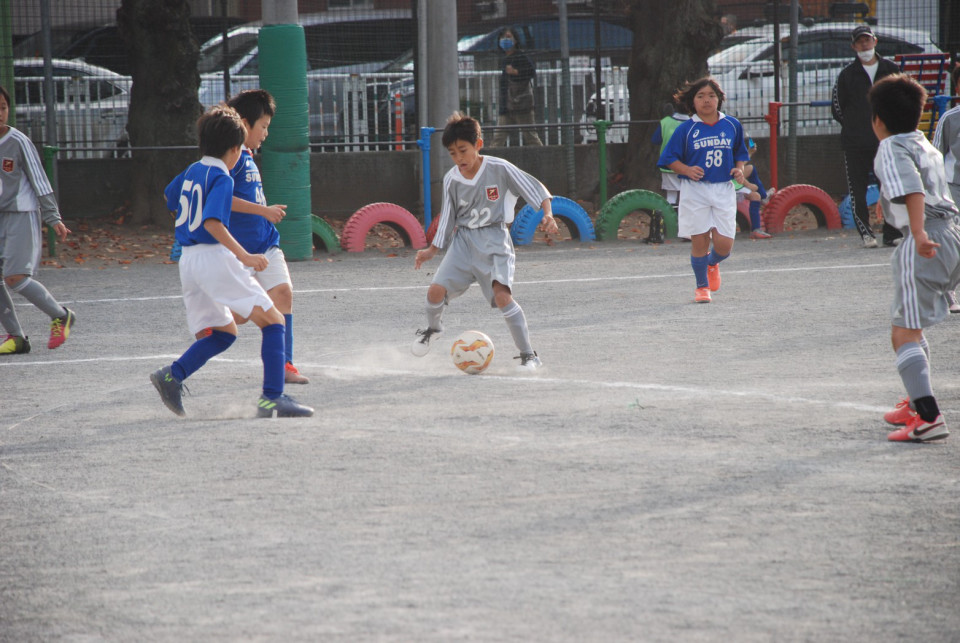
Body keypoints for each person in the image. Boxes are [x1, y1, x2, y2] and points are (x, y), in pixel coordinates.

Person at [152, 105, 313, 418]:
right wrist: (245, 256)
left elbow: (170, 197)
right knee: (274, 321)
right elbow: (213, 223)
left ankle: (173, 375)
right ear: (235, 149)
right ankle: (272, 398)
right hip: (213, 257)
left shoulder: (193, 170)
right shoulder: (223, 177)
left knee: (224, 333)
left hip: (189, 261)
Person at [412, 112, 556, 369]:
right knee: (435, 290)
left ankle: (529, 355)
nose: (458, 158)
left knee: (502, 296)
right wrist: (432, 249)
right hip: (463, 242)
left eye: (463, 151)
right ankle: (433, 329)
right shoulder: (452, 179)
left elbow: (535, 188)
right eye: (452, 153)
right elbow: (448, 216)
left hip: (494, 240)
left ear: (478, 144)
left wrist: (548, 214)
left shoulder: (499, 168)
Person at [870, 74, 960, 442]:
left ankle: (928, 417)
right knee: (912, 324)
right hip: (953, 233)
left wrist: (918, 234)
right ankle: (914, 401)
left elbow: (913, 190)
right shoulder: (922, 141)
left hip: (926, 239)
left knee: (903, 331)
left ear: (877, 120)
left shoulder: (890, 147)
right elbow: (920, 184)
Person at [224, 89, 308, 384]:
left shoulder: (246, 156)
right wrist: (263, 211)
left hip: (266, 244)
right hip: (239, 250)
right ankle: (204, 337)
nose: (266, 134)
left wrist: (264, 215)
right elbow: (220, 200)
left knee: (283, 293)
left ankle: (284, 366)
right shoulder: (229, 158)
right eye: (263, 127)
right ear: (244, 124)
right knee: (239, 316)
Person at [657, 77, 750, 303]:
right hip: (695, 190)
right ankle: (701, 287)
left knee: (724, 245)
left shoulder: (732, 125)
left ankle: (712, 262)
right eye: (700, 96)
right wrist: (686, 170)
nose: (706, 100)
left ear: (719, 99)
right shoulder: (686, 129)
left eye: (711, 95)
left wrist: (739, 170)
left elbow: (741, 154)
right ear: (692, 102)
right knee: (699, 239)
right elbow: (668, 159)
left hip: (723, 189)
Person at [0, 84, 76, 355]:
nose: (0, 113)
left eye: (3, 107)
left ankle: (60, 315)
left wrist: (53, 217)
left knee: (16, 277)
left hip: (20, 215)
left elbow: (40, 181)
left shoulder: (18, 142)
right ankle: (16, 337)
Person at [831, 24, 902, 248]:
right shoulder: (846, 75)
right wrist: (855, 126)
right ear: (853, 46)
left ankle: (891, 233)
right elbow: (837, 107)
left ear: (875, 42)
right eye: (860, 41)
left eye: (868, 40)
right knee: (857, 190)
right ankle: (866, 233)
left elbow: (902, 99)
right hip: (855, 143)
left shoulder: (891, 69)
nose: (865, 45)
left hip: (886, 142)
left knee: (889, 186)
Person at [931, 64, 960, 312]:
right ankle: (948, 288)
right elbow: (935, 155)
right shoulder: (950, 119)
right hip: (954, 188)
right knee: (957, 243)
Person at [491, 27, 542, 148]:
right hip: (507, 105)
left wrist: (516, 72)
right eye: (503, 37)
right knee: (498, 137)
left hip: (521, 104)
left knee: (530, 136)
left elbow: (531, 72)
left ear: (515, 40)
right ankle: (489, 163)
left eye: (508, 37)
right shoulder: (505, 59)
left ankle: (544, 158)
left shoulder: (520, 56)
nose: (505, 40)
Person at [651, 102, 690, 210]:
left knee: (671, 196)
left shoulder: (665, 122)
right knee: (687, 196)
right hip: (687, 167)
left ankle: (670, 221)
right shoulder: (694, 124)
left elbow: (655, 140)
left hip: (668, 165)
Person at [734, 137, 774, 239]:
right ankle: (764, 197)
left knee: (755, 195)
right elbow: (733, 171)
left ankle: (756, 230)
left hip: (732, 182)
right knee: (755, 191)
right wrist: (748, 185)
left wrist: (750, 153)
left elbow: (739, 166)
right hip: (726, 185)